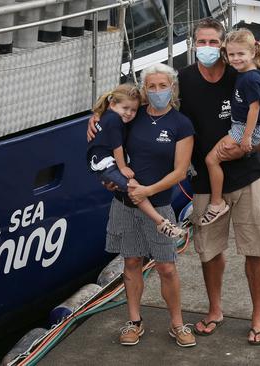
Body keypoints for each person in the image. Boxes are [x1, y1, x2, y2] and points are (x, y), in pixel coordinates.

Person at [178, 18, 260, 346]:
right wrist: (99, 115)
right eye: (199, 42)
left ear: (223, 46)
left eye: (212, 43)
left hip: (247, 176)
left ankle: (258, 316)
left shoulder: (243, 73)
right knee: (210, 252)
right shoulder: (185, 79)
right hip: (206, 182)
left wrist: (246, 149)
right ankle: (215, 310)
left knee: (256, 249)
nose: (206, 48)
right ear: (193, 44)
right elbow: (148, 101)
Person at [90, 64, 196, 347]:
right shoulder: (131, 118)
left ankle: (177, 323)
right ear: (144, 90)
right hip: (124, 203)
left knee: (166, 268)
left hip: (158, 204)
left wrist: (147, 190)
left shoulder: (181, 124)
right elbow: (110, 139)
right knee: (132, 262)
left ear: (172, 89)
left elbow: (180, 171)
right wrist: (110, 180)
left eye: (164, 86)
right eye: (152, 86)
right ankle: (134, 321)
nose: (158, 91)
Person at [199, 28, 260, 226]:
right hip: (259, 123)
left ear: (253, 53)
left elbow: (254, 109)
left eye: (240, 54)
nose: (235, 59)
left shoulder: (249, 79)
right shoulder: (258, 72)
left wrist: (246, 137)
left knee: (211, 160)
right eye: (231, 54)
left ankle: (216, 203)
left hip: (245, 126)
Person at [87, 83, 185, 238]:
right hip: (104, 162)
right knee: (134, 187)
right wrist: (123, 168)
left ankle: (161, 223)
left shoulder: (110, 115)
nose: (129, 113)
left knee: (133, 187)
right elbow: (117, 147)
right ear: (113, 104)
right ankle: (161, 222)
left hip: (104, 160)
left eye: (133, 110)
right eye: (125, 108)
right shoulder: (114, 120)